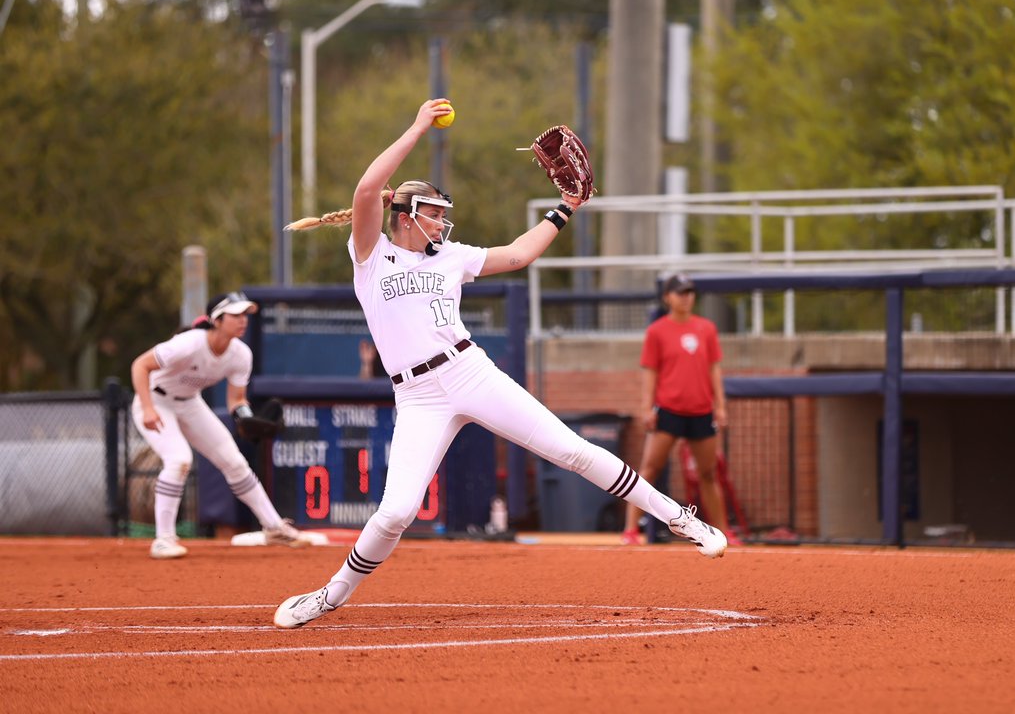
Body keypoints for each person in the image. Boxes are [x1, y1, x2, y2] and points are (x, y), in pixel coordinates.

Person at [274, 99, 727, 628]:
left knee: (572, 451)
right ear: (407, 215)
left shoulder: (449, 256)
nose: (443, 223)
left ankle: (678, 517)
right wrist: (419, 127)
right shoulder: (371, 254)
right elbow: (367, 190)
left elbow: (517, 255)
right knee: (395, 512)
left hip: (469, 370)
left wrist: (566, 208)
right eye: (435, 214)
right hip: (416, 395)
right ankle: (330, 595)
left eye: (445, 215)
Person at [130, 292, 315, 559]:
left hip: (189, 403)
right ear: (217, 319)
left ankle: (274, 527)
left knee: (235, 462)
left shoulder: (241, 354)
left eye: (245, 315)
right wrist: (147, 407)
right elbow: (140, 365)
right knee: (179, 459)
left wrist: (245, 417)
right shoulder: (189, 343)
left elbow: (236, 399)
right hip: (155, 400)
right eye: (236, 315)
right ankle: (163, 539)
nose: (243, 321)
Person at [621, 273, 741, 547]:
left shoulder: (706, 328)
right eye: (680, 292)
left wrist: (720, 406)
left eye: (689, 292)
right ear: (667, 298)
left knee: (709, 473)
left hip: (700, 411)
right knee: (649, 469)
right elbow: (650, 372)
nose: (686, 297)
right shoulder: (657, 331)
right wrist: (647, 407)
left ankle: (723, 531)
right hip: (669, 411)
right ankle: (630, 530)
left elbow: (714, 369)